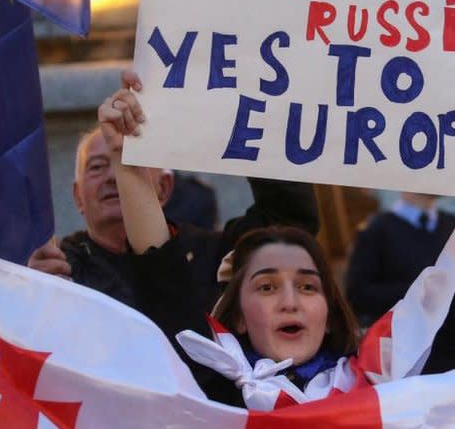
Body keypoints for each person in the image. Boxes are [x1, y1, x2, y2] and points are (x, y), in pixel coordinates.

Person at [102, 77, 455, 409]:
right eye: (266, 286)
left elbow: (452, 302)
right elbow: (163, 279)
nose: (290, 301)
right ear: (235, 318)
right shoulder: (211, 389)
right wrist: (126, 162)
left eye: (308, 286)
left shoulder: (386, 384)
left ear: (329, 315)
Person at [26, 71, 319, 311]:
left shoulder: (210, 255)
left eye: (130, 162)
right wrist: (28, 293)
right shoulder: (60, 269)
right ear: (77, 196)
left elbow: (288, 220)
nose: (115, 176)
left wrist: (249, 117)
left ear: (165, 188)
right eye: (97, 167)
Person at [345, 192, 455, 326]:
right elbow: (358, 294)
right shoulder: (377, 229)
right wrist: (416, 291)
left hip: (448, 330)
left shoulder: (453, 224)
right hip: (398, 332)